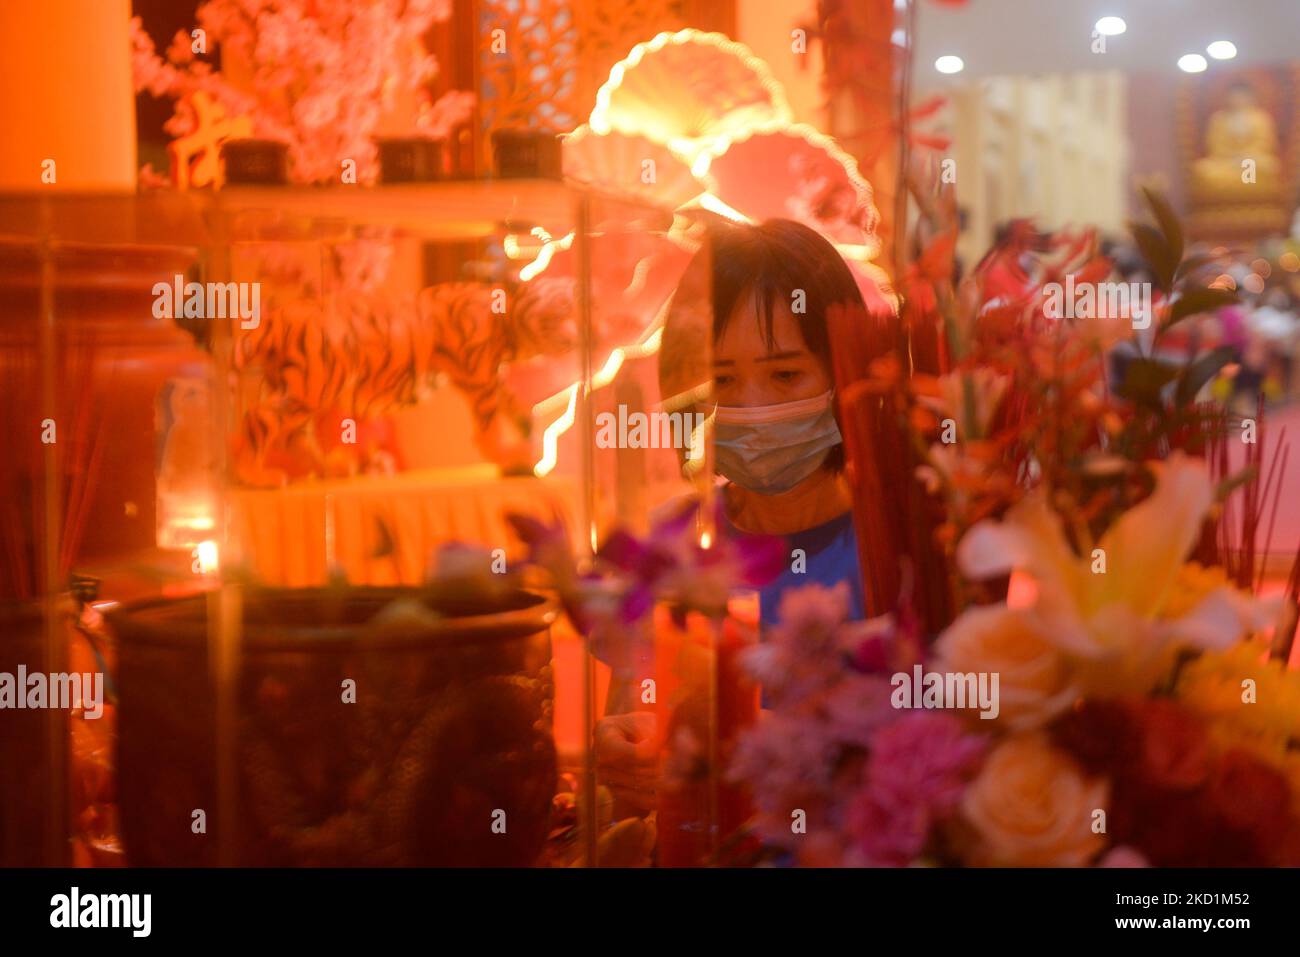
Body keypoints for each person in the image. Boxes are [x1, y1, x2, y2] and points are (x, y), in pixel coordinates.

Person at [596, 218, 871, 808]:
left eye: (785, 373)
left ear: (845, 368)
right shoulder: (673, 546)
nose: (752, 406)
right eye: (722, 378)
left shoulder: (896, 542)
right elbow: (637, 720)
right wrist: (631, 751)